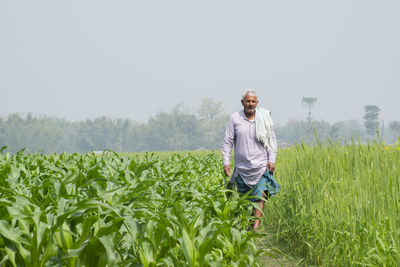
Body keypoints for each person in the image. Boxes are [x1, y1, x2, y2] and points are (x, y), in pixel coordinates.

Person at [222, 89, 280, 230]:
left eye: (253, 101)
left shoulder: (264, 118)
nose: (250, 104)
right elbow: (228, 141)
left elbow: (272, 142)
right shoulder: (235, 118)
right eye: (248, 101)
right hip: (242, 167)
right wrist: (226, 162)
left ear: (257, 103)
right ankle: (247, 224)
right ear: (242, 102)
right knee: (245, 199)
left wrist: (271, 160)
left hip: (261, 166)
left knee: (260, 197)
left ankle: (255, 227)